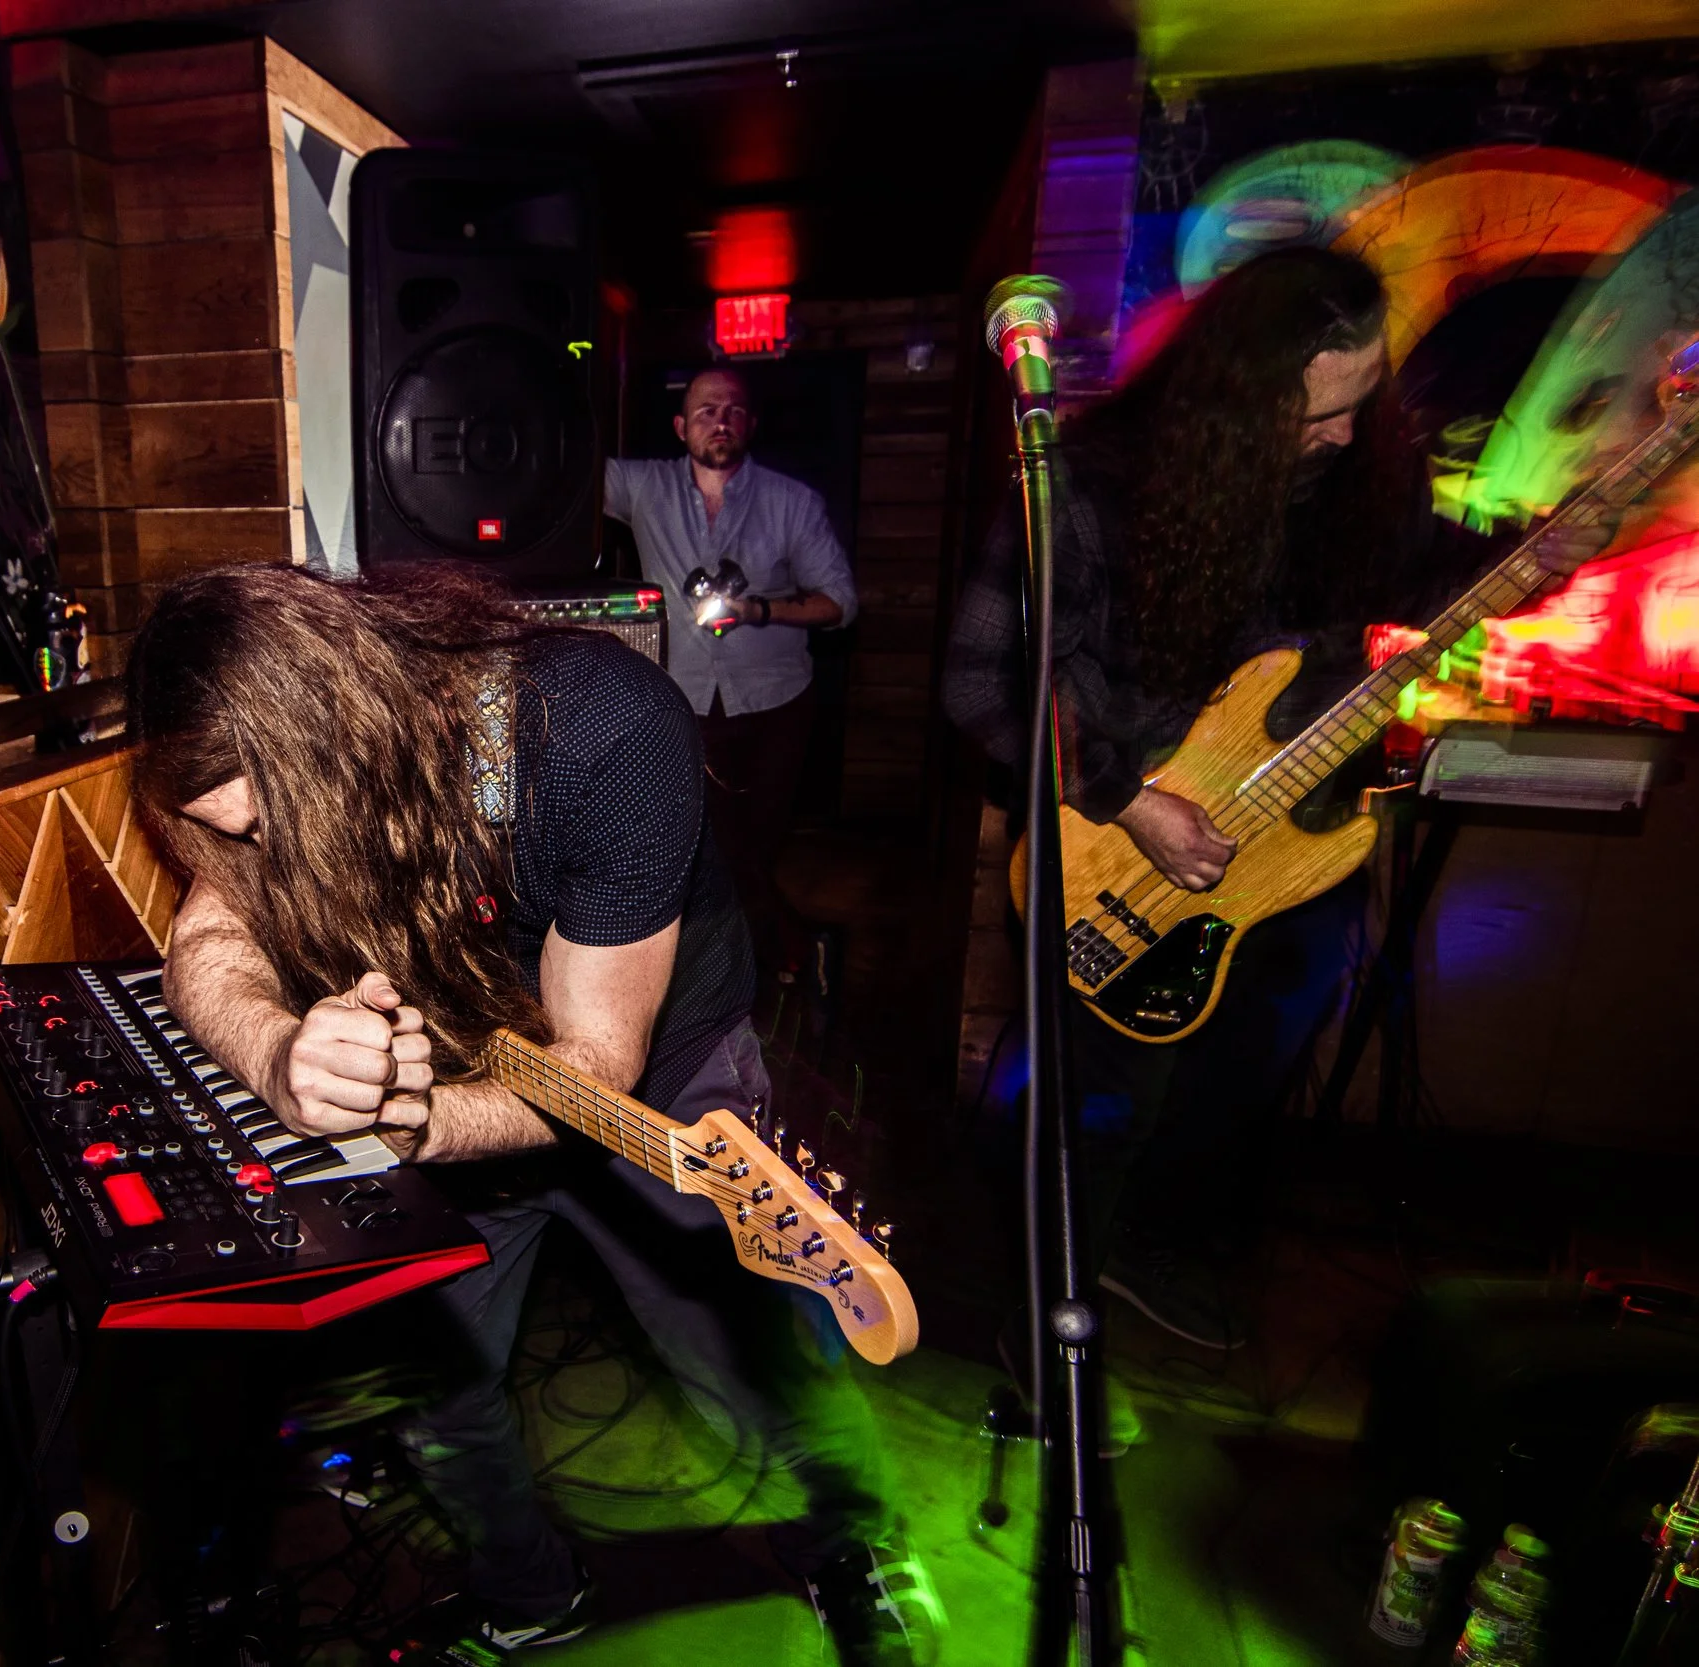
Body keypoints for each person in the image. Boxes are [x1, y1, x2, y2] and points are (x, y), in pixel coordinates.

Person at [126, 562, 939, 1666]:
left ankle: (851, 1540)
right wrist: (278, 1055)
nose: (265, 852)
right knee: (431, 1381)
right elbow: (209, 939)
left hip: (657, 1072)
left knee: (745, 1355)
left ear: (342, 726)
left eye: (274, 824)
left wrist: (410, 1121)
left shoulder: (600, 730)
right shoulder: (267, 784)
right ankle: (531, 1589)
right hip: (453, 1054)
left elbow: (595, 1062)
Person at [940, 246, 1605, 1350]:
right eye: (1316, 415)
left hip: (1292, 851)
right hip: (1120, 845)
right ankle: (1036, 1327)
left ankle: (1145, 1245)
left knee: (1240, 1075)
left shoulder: (1354, 481)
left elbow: (1420, 569)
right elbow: (983, 681)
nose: (1343, 435)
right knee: (1104, 1103)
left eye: (1360, 403)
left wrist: (1541, 552)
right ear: (1240, 403)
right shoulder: (1098, 485)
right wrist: (1129, 798)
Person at [604, 368, 857, 984]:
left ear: (751, 423)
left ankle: (740, 969)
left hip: (774, 703)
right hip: (681, 701)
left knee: (755, 844)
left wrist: (758, 610)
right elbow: (563, 466)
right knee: (704, 845)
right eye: (705, 411)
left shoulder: (792, 501)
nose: (720, 421)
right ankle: (778, 958)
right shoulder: (643, 486)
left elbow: (840, 602)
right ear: (680, 427)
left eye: (734, 411)